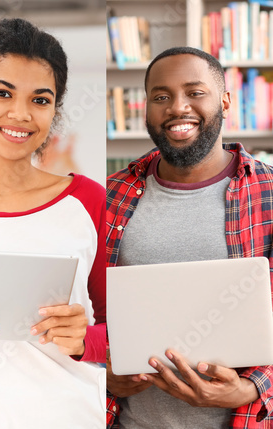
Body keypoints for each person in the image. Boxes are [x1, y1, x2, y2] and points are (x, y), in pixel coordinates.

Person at [0, 18, 107, 428]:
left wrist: (87, 340)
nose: (20, 114)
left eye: (40, 100)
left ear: (54, 110)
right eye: (2, 93)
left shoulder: (88, 201)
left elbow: (126, 328)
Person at [104, 47, 273, 429]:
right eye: (161, 97)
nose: (177, 107)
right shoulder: (109, 197)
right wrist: (101, 368)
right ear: (146, 107)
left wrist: (251, 388)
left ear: (226, 101)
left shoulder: (270, 194)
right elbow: (83, 311)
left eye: (195, 92)